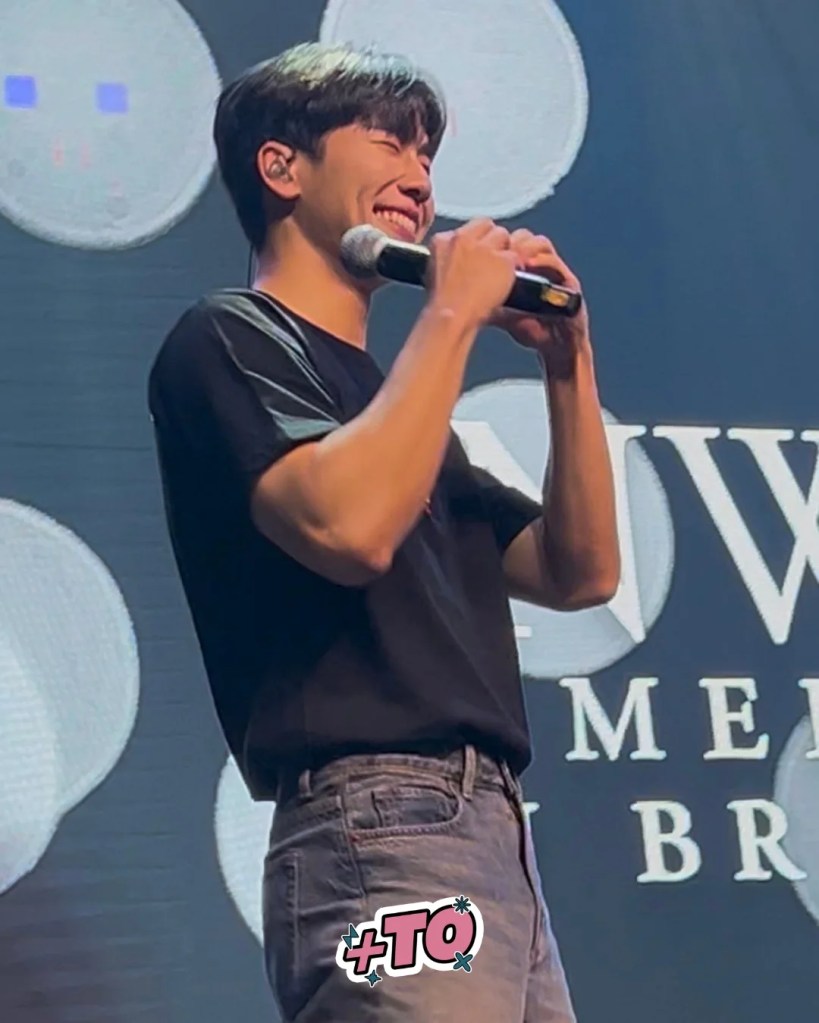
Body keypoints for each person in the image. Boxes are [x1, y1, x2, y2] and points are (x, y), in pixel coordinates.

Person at [148, 41, 619, 1023]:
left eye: (426, 154)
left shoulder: (403, 413)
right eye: (388, 142)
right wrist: (450, 316)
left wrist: (567, 362)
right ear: (281, 167)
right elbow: (351, 527)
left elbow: (579, 571)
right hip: (381, 823)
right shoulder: (228, 338)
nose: (419, 178)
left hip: (490, 829)